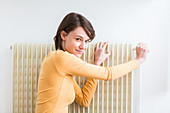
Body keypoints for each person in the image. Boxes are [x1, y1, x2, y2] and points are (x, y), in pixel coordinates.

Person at [35, 12, 149, 113]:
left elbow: (84, 100)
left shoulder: (61, 66)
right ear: (63, 35)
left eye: (87, 41)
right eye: (78, 39)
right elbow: (109, 74)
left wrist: (96, 64)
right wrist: (137, 61)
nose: (83, 46)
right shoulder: (61, 59)